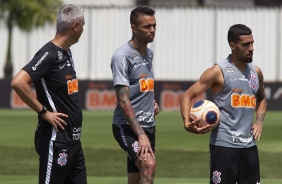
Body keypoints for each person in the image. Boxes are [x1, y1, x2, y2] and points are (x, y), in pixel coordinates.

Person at [180, 24, 267, 184]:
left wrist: (259, 122)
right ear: (232, 46)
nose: (251, 48)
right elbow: (188, 95)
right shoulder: (218, 71)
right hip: (224, 146)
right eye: (246, 44)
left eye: (252, 43)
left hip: (249, 146)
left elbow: (261, 98)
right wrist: (186, 122)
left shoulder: (257, 72)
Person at [11, 4, 87, 184]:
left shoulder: (66, 52)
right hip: (56, 140)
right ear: (75, 26)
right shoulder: (48, 54)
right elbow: (18, 82)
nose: (84, 29)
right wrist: (44, 112)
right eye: (83, 24)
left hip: (74, 141)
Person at [110, 6, 160, 184]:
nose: (152, 30)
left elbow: (141, 87)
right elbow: (123, 100)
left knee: (136, 177)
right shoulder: (122, 56)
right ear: (133, 27)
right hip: (127, 127)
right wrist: (140, 135)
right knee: (148, 165)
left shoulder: (149, 54)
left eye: (154, 25)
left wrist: (151, 104)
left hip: (148, 124)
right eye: (147, 26)